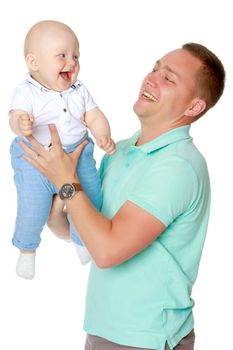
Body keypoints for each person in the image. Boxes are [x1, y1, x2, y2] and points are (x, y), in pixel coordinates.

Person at [20, 43, 225, 349]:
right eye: (155, 68)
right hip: (103, 330)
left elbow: (107, 251)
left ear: (193, 107)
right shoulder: (121, 151)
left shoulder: (177, 166)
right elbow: (90, 231)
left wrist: (66, 181)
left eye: (168, 78)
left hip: (147, 338)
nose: (151, 78)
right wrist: (52, 214)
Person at [9, 20, 115, 279]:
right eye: (62, 56)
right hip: (35, 159)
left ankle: (81, 240)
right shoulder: (27, 91)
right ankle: (27, 250)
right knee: (32, 207)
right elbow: (15, 115)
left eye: (75, 56)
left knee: (92, 198)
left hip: (78, 154)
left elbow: (94, 115)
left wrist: (102, 134)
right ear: (34, 63)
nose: (72, 62)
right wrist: (21, 123)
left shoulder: (80, 90)